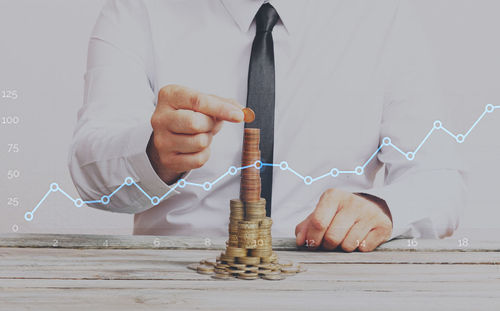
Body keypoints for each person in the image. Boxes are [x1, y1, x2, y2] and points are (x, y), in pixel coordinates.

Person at [69, 0, 465, 252]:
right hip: (178, 285)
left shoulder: (383, 17)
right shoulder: (138, 11)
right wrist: (155, 156)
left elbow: (439, 179)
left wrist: (382, 208)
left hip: (332, 286)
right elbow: (90, 175)